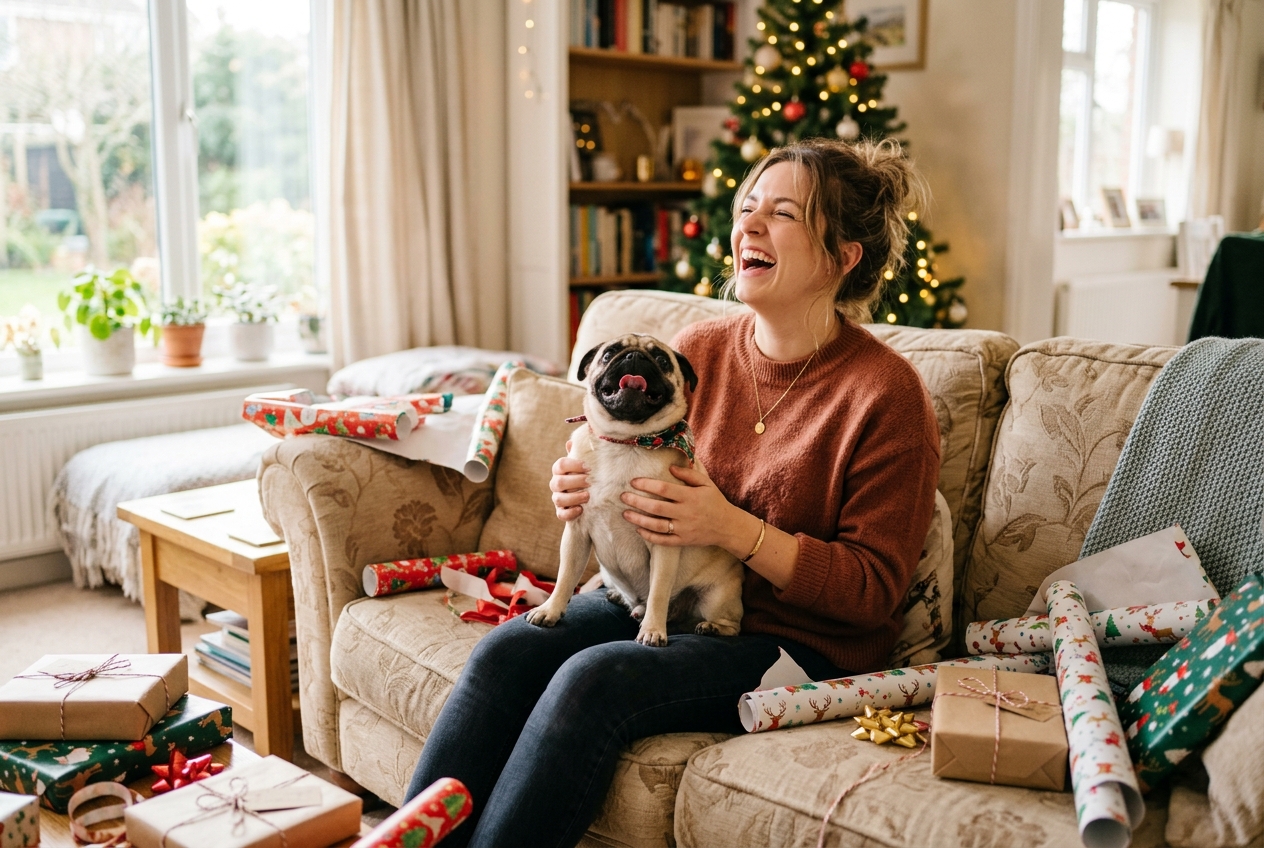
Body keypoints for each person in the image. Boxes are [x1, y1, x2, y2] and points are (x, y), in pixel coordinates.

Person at [404, 138, 941, 847]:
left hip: (794, 647)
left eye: (782, 214)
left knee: (593, 679)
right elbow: (617, 452)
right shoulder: (701, 351)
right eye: (747, 207)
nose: (748, 226)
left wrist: (731, 528)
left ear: (843, 257)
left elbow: (871, 593)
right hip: (658, 594)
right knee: (506, 653)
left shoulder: (886, 394)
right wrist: (582, 485)